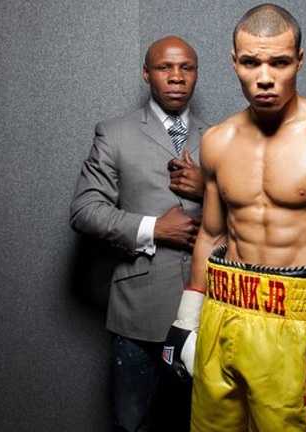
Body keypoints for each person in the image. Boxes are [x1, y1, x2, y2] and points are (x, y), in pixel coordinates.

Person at [163, 4, 306, 432]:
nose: (265, 77)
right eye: (251, 62)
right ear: (234, 62)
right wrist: (186, 319)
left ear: (300, 60)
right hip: (223, 312)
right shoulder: (217, 141)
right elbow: (212, 235)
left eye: (280, 62)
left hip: (300, 323)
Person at [70, 35, 208, 432]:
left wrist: (209, 192)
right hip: (140, 313)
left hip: (211, 313)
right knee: (132, 424)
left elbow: (251, 216)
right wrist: (154, 229)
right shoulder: (114, 134)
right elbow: (85, 211)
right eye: (165, 68)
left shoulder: (222, 138)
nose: (177, 77)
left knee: (205, 424)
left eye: (186, 68)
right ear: (147, 73)